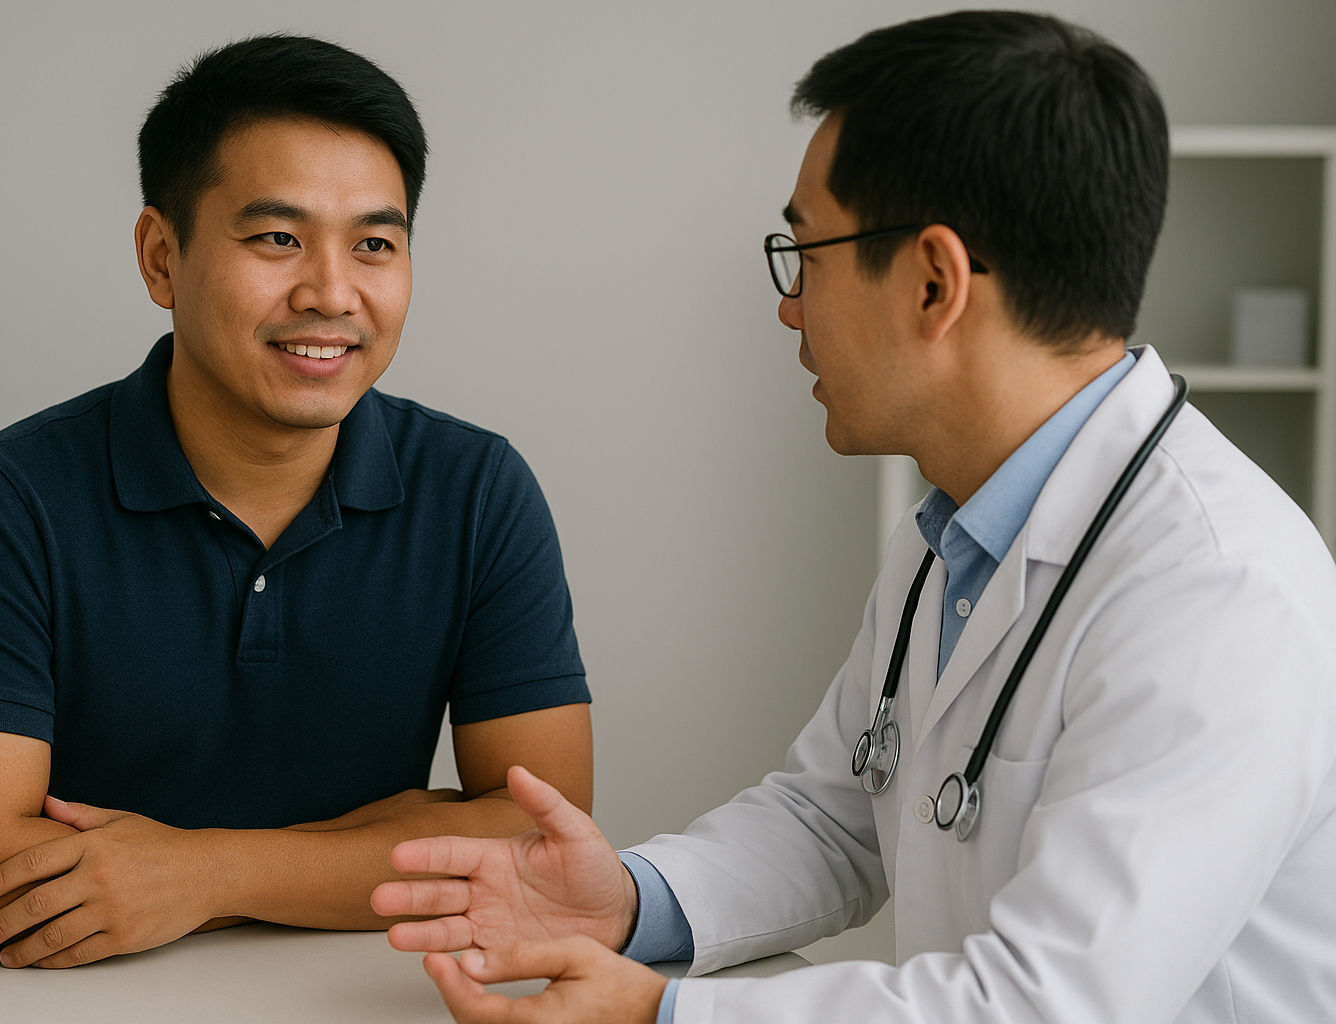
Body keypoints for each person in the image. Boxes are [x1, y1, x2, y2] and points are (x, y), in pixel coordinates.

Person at [370, 11, 1336, 1023]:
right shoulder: (959, 531)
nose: (789, 305)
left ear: (933, 282)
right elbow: (833, 817)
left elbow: (1046, 1006)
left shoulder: (1220, 593)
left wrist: (661, 1013)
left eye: (807, 251)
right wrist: (631, 899)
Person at [0, 34, 593, 972]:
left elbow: (546, 845)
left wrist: (201, 875)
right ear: (161, 258)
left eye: (375, 244)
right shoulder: (4, 504)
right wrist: (393, 838)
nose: (332, 292)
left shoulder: (478, 491)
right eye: (277, 239)